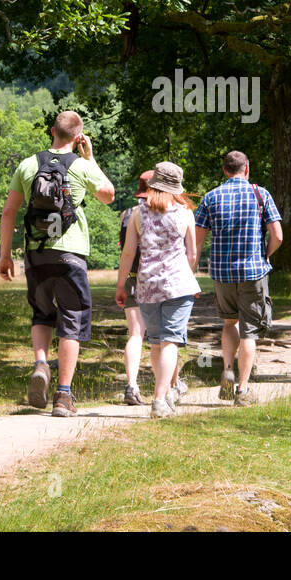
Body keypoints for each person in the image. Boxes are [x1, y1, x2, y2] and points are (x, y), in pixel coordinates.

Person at [0, 111, 115, 417]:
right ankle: (63, 396)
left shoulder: (27, 164)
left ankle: (40, 364)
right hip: (70, 254)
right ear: (78, 137)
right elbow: (108, 195)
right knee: (71, 320)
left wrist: (6, 254)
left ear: (52, 131)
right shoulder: (80, 166)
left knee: (42, 313)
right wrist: (90, 158)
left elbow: (9, 212)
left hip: (36, 253)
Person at [190, 150, 282, 406]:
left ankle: (228, 368)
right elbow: (279, 235)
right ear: (247, 168)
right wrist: (266, 254)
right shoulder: (260, 194)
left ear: (224, 170)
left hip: (222, 273)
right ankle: (242, 389)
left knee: (230, 322)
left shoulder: (211, 197)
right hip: (253, 271)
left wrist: (192, 272)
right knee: (249, 331)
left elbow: (197, 241)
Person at [115, 162, 199, 418]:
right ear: (175, 188)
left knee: (155, 342)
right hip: (177, 285)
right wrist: (189, 277)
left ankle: (160, 393)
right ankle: (161, 398)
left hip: (146, 286)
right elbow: (192, 253)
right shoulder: (185, 213)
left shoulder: (138, 214)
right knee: (171, 340)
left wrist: (121, 285)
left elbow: (128, 253)